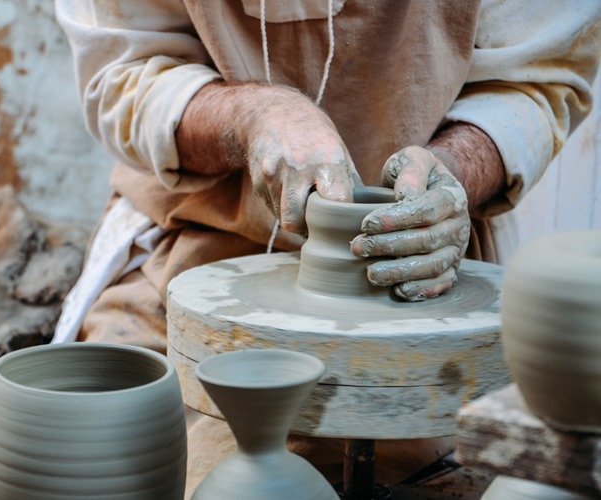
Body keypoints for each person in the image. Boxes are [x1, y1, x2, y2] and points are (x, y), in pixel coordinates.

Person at [53, 0, 601, 491]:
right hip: (197, 238)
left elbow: (540, 77)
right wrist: (251, 116)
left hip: (426, 265)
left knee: (464, 469)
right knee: (92, 441)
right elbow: (121, 71)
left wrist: (459, 167)